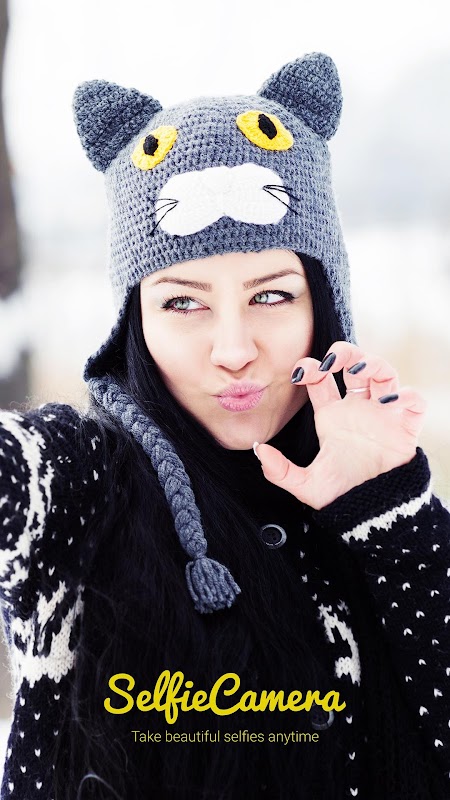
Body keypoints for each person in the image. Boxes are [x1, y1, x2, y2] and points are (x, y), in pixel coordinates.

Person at [0, 52, 449, 800]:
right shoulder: (83, 490)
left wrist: (390, 515)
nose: (234, 350)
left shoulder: (388, 516)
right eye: (184, 302)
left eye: (271, 296)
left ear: (323, 303)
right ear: (134, 321)